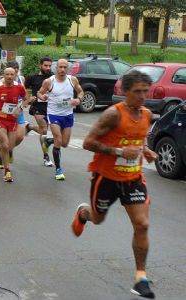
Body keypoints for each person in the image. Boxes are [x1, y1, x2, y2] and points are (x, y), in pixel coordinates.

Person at [73, 70, 158, 299]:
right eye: (137, 92)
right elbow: (89, 143)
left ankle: (141, 277)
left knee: (142, 225)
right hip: (106, 178)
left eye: (145, 91)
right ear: (125, 92)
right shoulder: (113, 114)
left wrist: (145, 151)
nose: (142, 96)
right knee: (98, 219)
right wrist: (120, 151)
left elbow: (139, 139)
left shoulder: (147, 114)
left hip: (133, 179)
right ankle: (84, 214)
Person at [37, 59, 84, 180]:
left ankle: (48, 140)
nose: (62, 69)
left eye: (65, 67)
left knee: (64, 143)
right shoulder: (49, 81)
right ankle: (58, 169)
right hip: (54, 114)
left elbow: (81, 92)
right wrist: (43, 96)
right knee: (58, 138)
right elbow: (39, 93)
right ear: (56, 68)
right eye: (60, 67)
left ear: (67, 68)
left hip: (68, 114)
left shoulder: (72, 80)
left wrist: (78, 99)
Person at [0, 67, 26, 182]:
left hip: (13, 120)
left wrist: (20, 109)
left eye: (12, 74)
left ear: (15, 75)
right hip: (0, 118)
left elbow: (26, 99)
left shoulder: (19, 87)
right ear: (3, 75)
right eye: (7, 74)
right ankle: (7, 171)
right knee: (5, 145)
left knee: (9, 147)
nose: (9, 76)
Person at [25, 56, 54, 167]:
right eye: (45, 65)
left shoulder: (53, 77)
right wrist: (28, 99)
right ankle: (46, 156)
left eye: (49, 66)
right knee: (45, 130)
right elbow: (23, 89)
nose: (48, 68)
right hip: (37, 107)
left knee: (43, 131)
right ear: (40, 65)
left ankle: (29, 127)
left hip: (51, 107)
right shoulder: (33, 77)